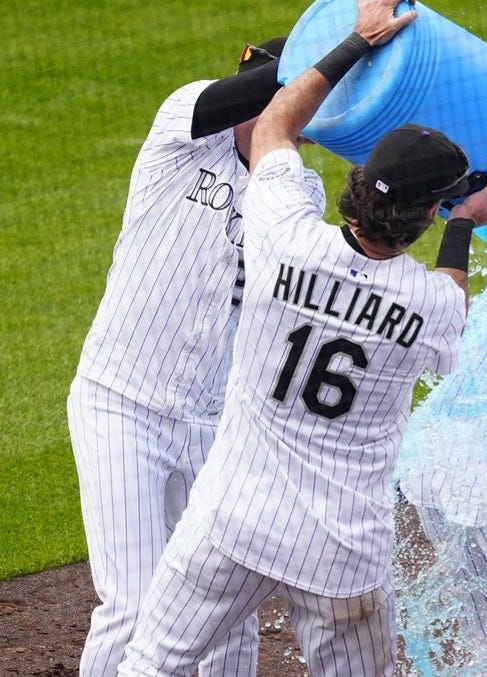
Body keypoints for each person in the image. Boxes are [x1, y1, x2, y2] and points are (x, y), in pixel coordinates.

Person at [116, 0, 487, 673]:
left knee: (149, 664)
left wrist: (355, 42)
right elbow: (452, 297)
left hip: (232, 519)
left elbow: (274, 125)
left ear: (357, 181)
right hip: (340, 554)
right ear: (423, 218)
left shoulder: (284, 235)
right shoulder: (427, 304)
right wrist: (465, 221)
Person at [65, 33, 291, 677]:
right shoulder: (183, 128)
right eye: (254, 91)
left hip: (212, 430)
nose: (249, 105)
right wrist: (349, 43)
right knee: (134, 608)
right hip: (120, 404)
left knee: (223, 618)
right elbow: (242, 96)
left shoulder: (288, 189)